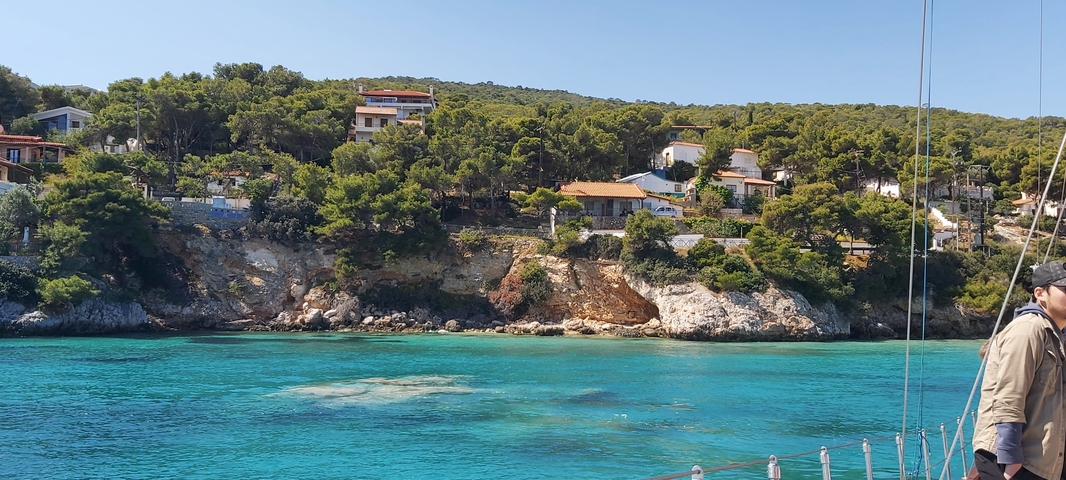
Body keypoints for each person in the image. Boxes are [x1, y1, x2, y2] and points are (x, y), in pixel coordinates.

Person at [972, 260, 1066, 480]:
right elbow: (1009, 398)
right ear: (1040, 293)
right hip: (1017, 463)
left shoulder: (1055, 334)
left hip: (1040, 460)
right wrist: (1012, 463)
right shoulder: (1028, 330)